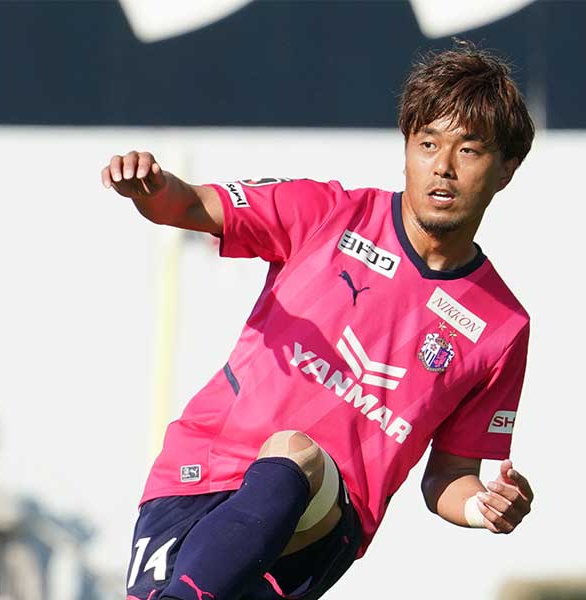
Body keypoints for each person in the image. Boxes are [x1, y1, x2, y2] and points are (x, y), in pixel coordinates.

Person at [102, 43, 536, 600]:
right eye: (428, 144)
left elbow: (449, 475)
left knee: (295, 454)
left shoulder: (501, 325)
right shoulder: (327, 214)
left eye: (469, 150)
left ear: (506, 169)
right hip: (198, 475)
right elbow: (187, 207)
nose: (443, 168)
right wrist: (152, 189)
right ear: (406, 148)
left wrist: (483, 506)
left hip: (320, 527)